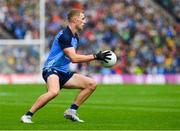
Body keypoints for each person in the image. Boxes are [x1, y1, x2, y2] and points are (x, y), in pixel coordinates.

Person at [20, 9, 111, 123]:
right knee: (54, 92)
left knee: (91, 84)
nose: (85, 21)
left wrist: (95, 57)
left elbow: (72, 58)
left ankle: (71, 111)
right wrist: (96, 56)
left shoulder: (75, 37)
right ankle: (27, 116)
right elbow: (74, 58)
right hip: (51, 69)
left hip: (63, 72)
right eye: (82, 18)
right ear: (74, 19)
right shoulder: (65, 35)